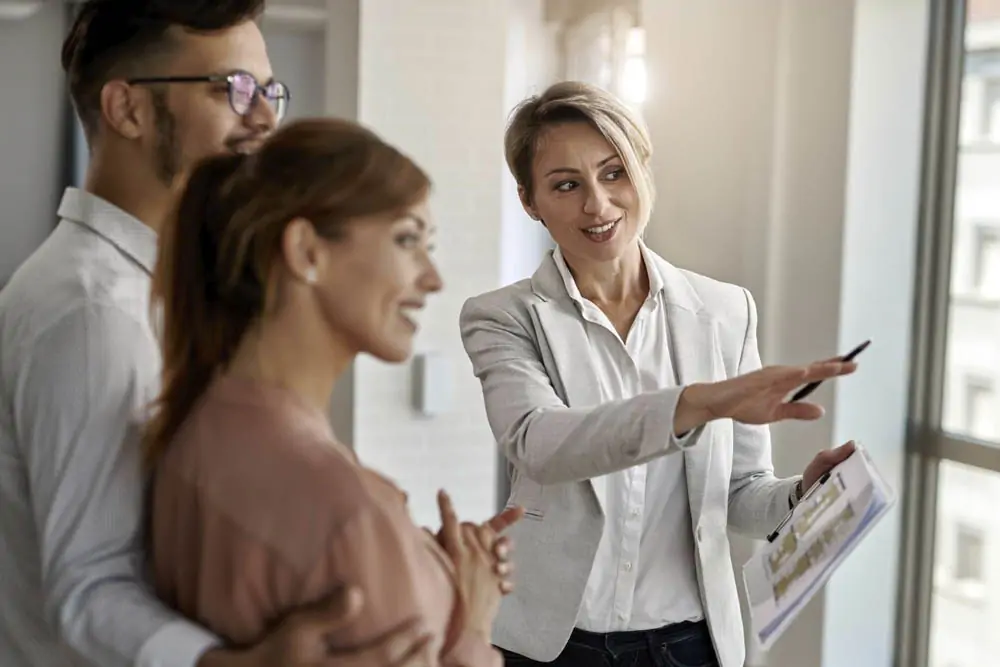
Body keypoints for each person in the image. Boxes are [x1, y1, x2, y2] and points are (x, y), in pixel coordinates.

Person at [0, 1, 464, 665]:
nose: (267, 117)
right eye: (233, 89)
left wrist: (395, 558)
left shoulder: (173, 294)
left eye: (269, 91)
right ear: (127, 109)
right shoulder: (92, 311)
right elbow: (90, 586)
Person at [459, 81, 860, 667]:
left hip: (689, 646)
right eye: (566, 185)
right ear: (530, 202)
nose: (597, 204)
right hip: (550, 647)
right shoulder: (503, 317)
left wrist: (802, 496)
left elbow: (740, 497)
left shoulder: (726, 311)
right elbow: (540, 443)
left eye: (614, 172)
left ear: (644, 170)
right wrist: (698, 403)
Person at [145, 117, 508, 666]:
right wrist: (474, 622)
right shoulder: (351, 515)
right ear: (307, 251)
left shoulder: (193, 434)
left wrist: (419, 560)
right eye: (408, 240)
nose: (433, 278)